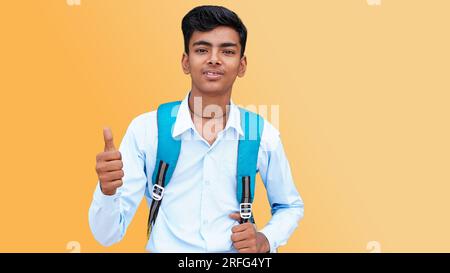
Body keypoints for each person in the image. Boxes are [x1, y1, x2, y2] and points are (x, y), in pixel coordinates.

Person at [89, 5, 304, 253]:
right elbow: (107, 235)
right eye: (202, 49)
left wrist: (265, 239)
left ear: (242, 65)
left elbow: (290, 206)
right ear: (185, 62)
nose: (214, 58)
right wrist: (107, 192)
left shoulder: (262, 134)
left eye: (227, 51)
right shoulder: (147, 131)